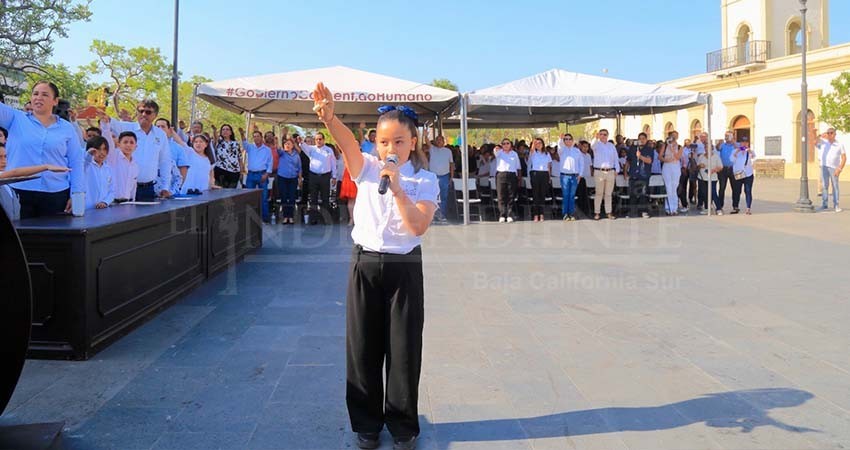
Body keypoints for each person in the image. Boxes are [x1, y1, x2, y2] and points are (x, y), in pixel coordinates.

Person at [313, 83, 436, 450]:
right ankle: (366, 424)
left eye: (398, 141)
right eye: (383, 142)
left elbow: (417, 226)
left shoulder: (425, 180)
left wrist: (399, 190)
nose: (390, 149)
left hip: (404, 268)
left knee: (403, 348)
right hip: (365, 262)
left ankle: (402, 426)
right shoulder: (365, 168)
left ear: (412, 142)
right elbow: (347, 143)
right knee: (363, 346)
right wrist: (329, 118)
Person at [0, 81, 85, 218]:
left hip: (55, 193)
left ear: (55, 101)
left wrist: (77, 194)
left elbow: (76, 162)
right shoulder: (15, 118)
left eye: (45, 95)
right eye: (35, 94)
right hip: (19, 191)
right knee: (19, 238)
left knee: (52, 238)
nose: (38, 98)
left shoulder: (67, 128)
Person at [108, 99, 173, 201]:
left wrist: (165, 187)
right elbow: (111, 123)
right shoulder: (126, 127)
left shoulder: (161, 134)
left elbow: (165, 161)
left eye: (148, 112)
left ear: (155, 115)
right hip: (125, 188)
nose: (143, 114)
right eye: (140, 111)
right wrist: (105, 118)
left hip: (149, 189)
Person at [0, 143, 71, 220]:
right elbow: (15, 173)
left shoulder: (8, 184)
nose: (4, 161)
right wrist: (45, 167)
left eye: (5, 156)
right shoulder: (6, 176)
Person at [294, 131, 338, 225]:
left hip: (325, 176)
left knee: (325, 198)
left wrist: (334, 176)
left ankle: (325, 219)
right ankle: (313, 219)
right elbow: (303, 146)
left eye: (320, 139)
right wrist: (300, 141)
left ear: (323, 140)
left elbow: (333, 164)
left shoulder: (329, 150)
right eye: (317, 139)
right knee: (313, 198)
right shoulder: (311, 149)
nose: (318, 141)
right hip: (313, 176)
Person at [238, 128, 273, 222]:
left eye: (258, 136)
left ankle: (265, 218)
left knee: (264, 198)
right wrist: (242, 133)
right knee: (249, 197)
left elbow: (270, 162)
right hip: (251, 175)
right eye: (254, 137)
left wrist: (266, 174)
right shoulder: (250, 147)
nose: (256, 138)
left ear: (262, 138)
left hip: (262, 174)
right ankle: (250, 218)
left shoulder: (267, 150)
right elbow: (244, 142)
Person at [154, 118, 190, 195]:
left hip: (169, 192)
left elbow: (183, 170)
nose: (160, 129)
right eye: (158, 126)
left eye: (163, 126)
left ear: (169, 129)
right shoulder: (148, 145)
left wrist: (174, 191)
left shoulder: (177, 148)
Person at [814, 128, 846, 212]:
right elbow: (815, 142)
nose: (829, 134)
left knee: (835, 186)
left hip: (834, 168)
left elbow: (844, 158)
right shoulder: (824, 143)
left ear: (835, 134)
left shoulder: (839, 144)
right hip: (824, 166)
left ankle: (836, 205)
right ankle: (824, 204)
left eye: (831, 133)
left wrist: (839, 169)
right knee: (825, 186)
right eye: (828, 133)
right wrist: (819, 135)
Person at [425, 135, 454, 223]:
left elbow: (451, 164)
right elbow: (427, 141)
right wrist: (425, 134)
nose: (439, 141)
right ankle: (433, 215)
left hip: (445, 176)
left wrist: (451, 177)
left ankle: (442, 214)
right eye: (437, 140)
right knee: (433, 196)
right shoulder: (432, 149)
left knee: (443, 197)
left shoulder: (448, 151)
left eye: (440, 140)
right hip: (433, 177)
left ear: (444, 141)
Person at [624, 132, 654, 219]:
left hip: (643, 175)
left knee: (643, 194)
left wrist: (640, 156)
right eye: (640, 138)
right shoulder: (632, 149)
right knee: (632, 194)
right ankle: (632, 211)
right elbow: (628, 161)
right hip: (633, 174)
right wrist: (625, 172)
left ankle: (643, 211)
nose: (641, 140)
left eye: (643, 138)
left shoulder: (649, 149)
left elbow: (649, 161)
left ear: (646, 139)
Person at [556, 134, 584, 221]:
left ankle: (571, 213)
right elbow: (559, 146)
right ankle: (565, 214)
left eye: (569, 139)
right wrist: (560, 139)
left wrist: (580, 174)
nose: (568, 141)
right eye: (566, 139)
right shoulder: (562, 150)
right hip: (565, 176)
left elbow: (581, 163)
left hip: (574, 176)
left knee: (572, 196)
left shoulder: (577, 151)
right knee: (565, 195)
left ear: (572, 140)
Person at [592, 129, 618, 220]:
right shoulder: (596, 144)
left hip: (610, 171)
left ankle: (608, 212)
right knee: (599, 193)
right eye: (601, 134)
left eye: (605, 134)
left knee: (608, 194)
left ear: (608, 135)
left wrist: (617, 169)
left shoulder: (611, 146)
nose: (603, 136)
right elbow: (592, 146)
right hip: (599, 171)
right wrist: (596, 138)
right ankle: (597, 212)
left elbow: (615, 158)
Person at [84, 136, 114, 209]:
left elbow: (112, 191)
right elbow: (85, 162)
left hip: (103, 210)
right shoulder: (86, 165)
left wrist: (105, 202)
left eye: (104, 149)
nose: (102, 153)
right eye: (98, 149)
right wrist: (89, 155)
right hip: (87, 209)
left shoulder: (108, 169)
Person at [276, 137, 302, 224]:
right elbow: (278, 149)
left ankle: (290, 216)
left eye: (289, 144)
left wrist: (300, 179)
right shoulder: (282, 153)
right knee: (283, 197)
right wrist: (277, 141)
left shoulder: (296, 155)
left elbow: (299, 168)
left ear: (292, 146)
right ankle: (285, 216)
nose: (287, 145)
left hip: (293, 178)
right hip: (282, 177)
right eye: (285, 144)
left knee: (292, 198)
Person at [494, 138, 520, 223]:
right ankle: (502, 214)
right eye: (504, 143)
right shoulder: (499, 152)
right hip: (501, 174)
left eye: (507, 143)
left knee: (511, 195)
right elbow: (495, 151)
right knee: (501, 195)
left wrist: (518, 177)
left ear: (510, 144)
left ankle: (509, 214)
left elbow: (518, 166)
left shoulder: (514, 154)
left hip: (511, 175)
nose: (505, 145)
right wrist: (497, 149)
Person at [210, 123, 242, 189]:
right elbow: (215, 138)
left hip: (234, 172)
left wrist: (241, 171)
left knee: (231, 194)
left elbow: (239, 158)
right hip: (221, 170)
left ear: (231, 132)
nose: (225, 131)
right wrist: (214, 130)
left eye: (227, 129)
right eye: (223, 129)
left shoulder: (236, 143)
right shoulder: (219, 142)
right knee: (220, 192)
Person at [527, 137, 551, 222]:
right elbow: (532, 149)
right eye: (537, 143)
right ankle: (535, 214)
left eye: (540, 143)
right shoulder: (533, 153)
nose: (538, 144)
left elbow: (548, 166)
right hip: (535, 173)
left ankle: (542, 214)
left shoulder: (547, 154)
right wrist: (534, 142)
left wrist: (549, 176)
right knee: (535, 195)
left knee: (542, 195)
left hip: (544, 174)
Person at [716, 132, 738, 214]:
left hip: (733, 169)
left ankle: (735, 206)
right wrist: (718, 143)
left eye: (728, 136)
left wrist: (734, 143)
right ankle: (720, 206)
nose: (726, 137)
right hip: (723, 169)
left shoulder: (736, 144)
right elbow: (717, 149)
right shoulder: (723, 145)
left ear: (732, 136)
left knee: (735, 188)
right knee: (722, 188)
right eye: (725, 135)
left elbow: (744, 149)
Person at [660, 138, 682, 215]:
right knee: (668, 187)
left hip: (675, 167)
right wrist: (666, 160)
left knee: (674, 188)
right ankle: (669, 208)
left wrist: (672, 149)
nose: (671, 142)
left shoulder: (679, 147)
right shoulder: (665, 146)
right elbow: (660, 157)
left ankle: (674, 208)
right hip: (667, 167)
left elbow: (677, 157)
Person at [732, 142, 756, 215]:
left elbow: (754, 157)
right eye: (742, 144)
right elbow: (731, 160)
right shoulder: (735, 151)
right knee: (737, 191)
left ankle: (748, 208)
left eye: (745, 144)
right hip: (738, 174)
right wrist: (737, 151)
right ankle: (735, 207)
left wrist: (750, 151)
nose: (744, 145)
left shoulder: (750, 152)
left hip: (748, 174)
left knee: (748, 191)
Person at [697, 147, 722, 214]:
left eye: (709, 148)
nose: (707, 149)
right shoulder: (701, 156)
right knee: (704, 193)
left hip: (712, 178)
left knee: (713, 193)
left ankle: (718, 208)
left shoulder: (716, 156)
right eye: (706, 148)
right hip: (702, 177)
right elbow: (697, 165)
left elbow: (720, 167)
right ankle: (707, 208)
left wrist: (714, 170)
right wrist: (700, 165)